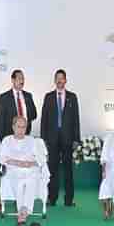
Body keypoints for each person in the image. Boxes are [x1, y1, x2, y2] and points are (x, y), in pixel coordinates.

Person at [40, 69, 81, 207]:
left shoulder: (72, 97)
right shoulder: (48, 97)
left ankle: (69, 199)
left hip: (68, 139)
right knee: (53, 170)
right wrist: (43, 139)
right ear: (54, 80)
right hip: (52, 139)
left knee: (68, 170)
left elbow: (76, 119)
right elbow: (44, 119)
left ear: (65, 80)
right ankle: (52, 198)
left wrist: (76, 139)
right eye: (57, 78)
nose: (59, 80)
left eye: (62, 78)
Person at [0, 116, 43, 226]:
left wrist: (30, 164)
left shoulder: (31, 140)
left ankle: (23, 213)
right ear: (13, 127)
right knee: (19, 183)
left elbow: (41, 159)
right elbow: (2, 158)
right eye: (18, 127)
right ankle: (22, 212)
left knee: (31, 181)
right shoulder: (7, 140)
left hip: (30, 169)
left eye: (23, 127)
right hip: (14, 169)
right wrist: (17, 162)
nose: (21, 130)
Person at [0, 69, 37, 140]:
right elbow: (0, 121)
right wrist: (2, 139)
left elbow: (34, 115)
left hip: (25, 134)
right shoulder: (4, 97)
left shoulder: (28, 96)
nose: (22, 81)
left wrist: (25, 117)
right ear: (13, 80)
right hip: (10, 136)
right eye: (19, 78)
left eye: (23, 79)